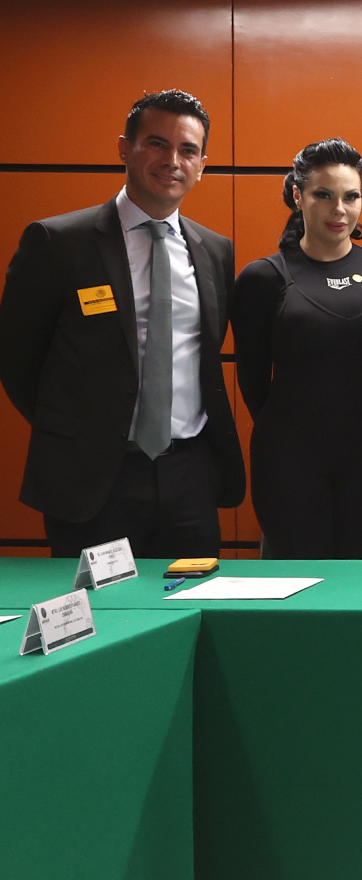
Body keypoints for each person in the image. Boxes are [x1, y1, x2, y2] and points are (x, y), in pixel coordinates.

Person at [0, 88, 245, 558]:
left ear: (202, 165)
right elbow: (17, 359)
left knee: (191, 598)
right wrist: (77, 431)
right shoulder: (58, 242)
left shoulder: (215, 251)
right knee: (100, 603)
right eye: (157, 143)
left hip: (190, 475)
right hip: (94, 479)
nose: (172, 160)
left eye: (188, 150)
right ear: (124, 148)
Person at [229, 139, 362, 558]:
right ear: (298, 195)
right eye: (324, 195)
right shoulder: (263, 278)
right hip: (290, 464)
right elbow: (253, 382)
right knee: (299, 586)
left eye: (351, 197)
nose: (339, 210)